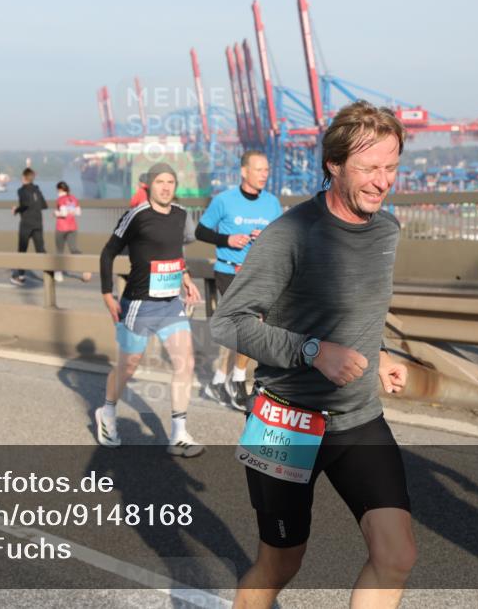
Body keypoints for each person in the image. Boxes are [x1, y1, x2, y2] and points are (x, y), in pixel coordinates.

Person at [211, 100, 415, 608]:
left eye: (391, 167)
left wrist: (381, 353)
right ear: (334, 164)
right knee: (281, 563)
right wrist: (312, 351)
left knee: (397, 556)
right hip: (285, 421)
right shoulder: (290, 234)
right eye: (369, 168)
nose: (382, 180)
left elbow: (355, 315)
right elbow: (228, 322)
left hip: (357, 417)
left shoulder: (387, 231)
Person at [96, 162, 204, 458]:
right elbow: (108, 252)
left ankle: (179, 434)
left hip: (171, 303)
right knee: (128, 366)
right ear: (150, 186)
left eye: (171, 181)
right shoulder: (136, 215)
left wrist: (185, 277)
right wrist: (107, 293)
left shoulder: (181, 214)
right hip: (140, 304)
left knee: (186, 363)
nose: (166, 187)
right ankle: (107, 413)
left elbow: (174, 252)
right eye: (160, 182)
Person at [196, 149, 282, 411]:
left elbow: (282, 237)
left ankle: (218, 381)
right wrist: (227, 240)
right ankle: (239, 381)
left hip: (259, 272)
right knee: (250, 325)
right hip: (229, 270)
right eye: (259, 170)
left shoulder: (272, 202)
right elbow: (200, 231)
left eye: (267, 170)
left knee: (240, 331)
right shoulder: (224, 200)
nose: (264, 175)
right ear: (244, 172)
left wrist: (266, 235)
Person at [10, 167, 48, 285]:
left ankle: (20, 276)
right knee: (40, 249)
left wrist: (16, 209)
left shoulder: (21, 190)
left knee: (22, 249)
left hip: (26, 224)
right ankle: (50, 272)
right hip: (38, 223)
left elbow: (25, 204)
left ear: (24, 177)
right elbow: (44, 205)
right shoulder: (37, 189)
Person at [53, 181, 91, 282]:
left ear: (60, 189)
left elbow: (63, 213)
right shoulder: (73, 198)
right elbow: (78, 212)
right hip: (72, 227)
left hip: (61, 227)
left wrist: (56, 213)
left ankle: (58, 273)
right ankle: (84, 267)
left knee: (59, 251)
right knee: (74, 249)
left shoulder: (60, 199)